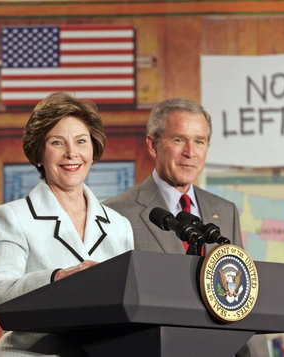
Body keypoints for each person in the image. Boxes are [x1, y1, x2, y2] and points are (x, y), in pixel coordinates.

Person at [103, 97, 270, 357]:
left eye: (199, 141)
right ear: (152, 144)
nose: (190, 152)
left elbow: (241, 302)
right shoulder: (116, 213)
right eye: (179, 139)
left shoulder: (225, 211)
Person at [0, 92, 134, 356]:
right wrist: (57, 278)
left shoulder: (119, 225)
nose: (72, 153)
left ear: (93, 149)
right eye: (57, 143)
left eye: (81, 141)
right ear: (39, 153)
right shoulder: (14, 216)